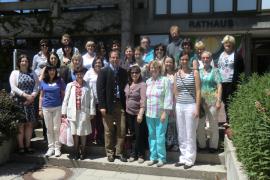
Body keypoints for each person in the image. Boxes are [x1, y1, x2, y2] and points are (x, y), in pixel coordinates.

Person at [96, 50, 128, 162]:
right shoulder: (103, 71)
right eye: (112, 57)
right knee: (108, 130)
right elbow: (100, 90)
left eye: (116, 58)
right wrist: (102, 106)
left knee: (122, 129)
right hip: (108, 104)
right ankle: (110, 152)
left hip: (120, 104)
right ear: (109, 59)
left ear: (119, 59)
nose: (115, 60)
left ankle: (119, 152)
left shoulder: (124, 72)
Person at [62, 67, 95, 160]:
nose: (79, 75)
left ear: (84, 74)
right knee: (75, 133)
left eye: (81, 73)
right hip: (72, 112)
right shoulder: (70, 85)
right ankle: (76, 151)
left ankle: (83, 151)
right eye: (77, 74)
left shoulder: (88, 85)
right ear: (75, 75)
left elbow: (92, 99)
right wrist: (63, 112)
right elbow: (66, 99)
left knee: (83, 132)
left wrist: (92, 112)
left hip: (84, 112)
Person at [174, 53, 201, 169]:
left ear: (189, 60)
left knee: (190, 133)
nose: (184, 61)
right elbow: (175, 91)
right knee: (181, 133)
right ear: (179, 60)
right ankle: (183, 157)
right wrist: (177, 104)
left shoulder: (194, 73)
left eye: (186, 59)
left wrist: (197, 107)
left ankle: (190, 159)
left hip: (191, 105)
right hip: (180, 106)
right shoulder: (176, 74)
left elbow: (198, 91)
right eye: (182, 59)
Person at [9, 54, 39, 154]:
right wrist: (25, 95)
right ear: (19, 62)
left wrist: (33, 96)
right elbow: (13, 87)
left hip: (30, 102)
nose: (24, 63)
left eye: (26, 61)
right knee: (20, 125)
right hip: (19, 101)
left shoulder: (33, 72)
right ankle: (21, 147)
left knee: (30, 125)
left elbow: (37, 86)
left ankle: (28, 145)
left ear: (28, 63)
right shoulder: (15, 73)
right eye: (22, 61)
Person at [145, 61, 173, 167]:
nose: (153, 69)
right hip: (149, 114)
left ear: (160, 69)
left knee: (160, 136)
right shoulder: (148, 81)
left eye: (155, 67)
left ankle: (162, 158)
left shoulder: (165, 80)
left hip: (161, 114)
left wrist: (165, 113)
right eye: (152, 67)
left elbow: (168, 97)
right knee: (151, 136)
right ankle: (153, 157)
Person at [197, 51, 222, 153]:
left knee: (213, 124)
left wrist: (219, 101)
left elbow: (219, 86)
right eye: (203, 58)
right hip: (201, 101)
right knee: (200, 124)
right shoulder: (198, 71)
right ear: (201, 59)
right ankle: (202, 144)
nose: (205, 60)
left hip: (212, 100)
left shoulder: (215, 71)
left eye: (207, 58)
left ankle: (213, 146)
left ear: (211, 59)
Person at [39, 65, 66, 157]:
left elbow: (63, 94)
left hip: (57, 107)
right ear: (47, 71)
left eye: (53, 70)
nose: (52, 72)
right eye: (50, 70)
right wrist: (40, 109)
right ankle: (51, 148)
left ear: (56, 71)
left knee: (56, 128)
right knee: (49, 129)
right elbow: (41, 96)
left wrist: (64, 108)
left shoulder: (60, 81)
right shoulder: (43, 81)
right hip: (46, 108)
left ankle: (57, 148)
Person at [217, 35, 244, 124]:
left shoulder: (237, 55)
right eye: (226, 43)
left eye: (229, 43)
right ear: (223, 44)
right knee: (223, 101)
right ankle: (228, 120)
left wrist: (239, 83)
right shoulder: (221, 55)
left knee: (230, 102)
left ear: (233, 44)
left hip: (231, 83)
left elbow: (241, 70)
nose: (227, 44)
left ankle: (230, 121)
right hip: (221, 83)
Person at [124, 65, 147, 163]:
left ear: (139, 74)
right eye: (132, 72)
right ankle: (133, 154)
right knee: (132, 135)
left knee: (139, 135)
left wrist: (141, 113)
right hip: (129, 113)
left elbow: (143, 100)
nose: (134, 74)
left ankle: (141, 155)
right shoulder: (129, 83)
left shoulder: (142, 85)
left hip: (138, 114)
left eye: (136, 72)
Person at [84, 56, 105, 145]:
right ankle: (90, 139)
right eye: (96, 63)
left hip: (101, 101)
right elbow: (84, 84)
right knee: (91, 120)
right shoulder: (89, 73)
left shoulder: (104, 72)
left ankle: (100, 138)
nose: (98, 64)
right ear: (93, 64)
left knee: (100, 122)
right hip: (91, 101)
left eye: (99, 63)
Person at [162, 56, 178, 152]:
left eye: (170, 62)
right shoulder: (161, 74)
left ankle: (174, 143)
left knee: (173, 123)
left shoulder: (175, 74)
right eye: (166, 62)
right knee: (165, 124)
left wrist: (172, 105)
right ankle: (167, 143)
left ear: (173, 63)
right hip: (163, 103)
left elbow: (176, 90)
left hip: (174, 102)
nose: (168, 64)